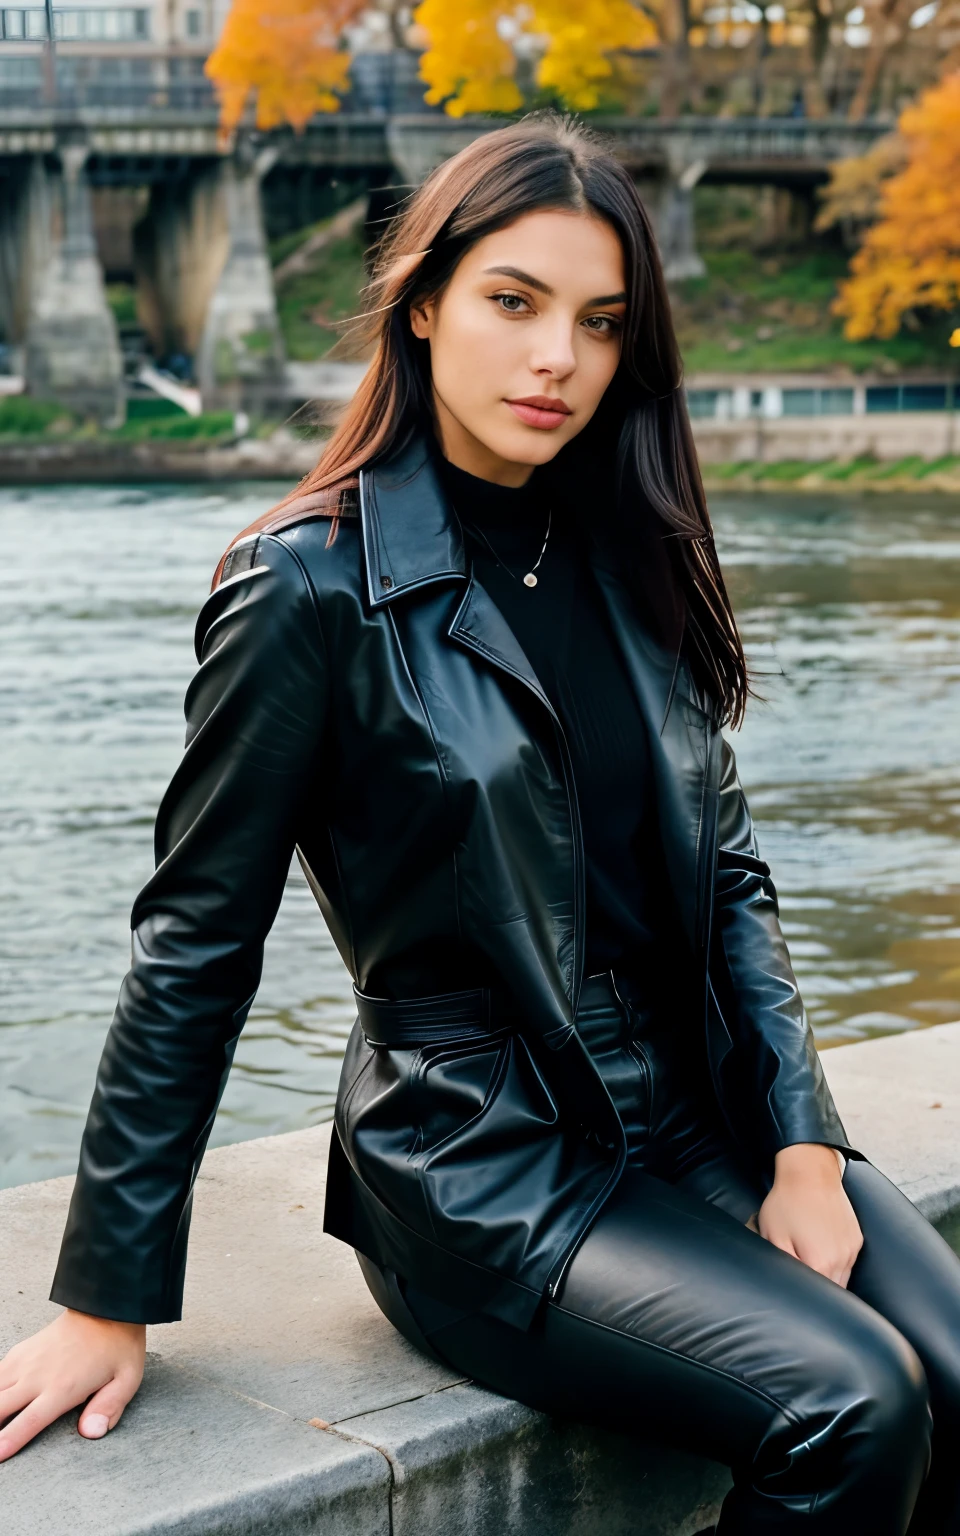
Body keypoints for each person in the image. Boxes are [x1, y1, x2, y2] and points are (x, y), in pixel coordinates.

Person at [2, 114, 960, 1534]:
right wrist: (107, 1293)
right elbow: (198, 939)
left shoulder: (630, 548)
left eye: (600, 322)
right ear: (429, 300)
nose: (556, 360)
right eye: (515, 303)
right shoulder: (308, 586)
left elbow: (731, 876)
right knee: (853, 1404)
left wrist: (803, 1150)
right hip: (483, 1159)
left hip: (697, 1112)